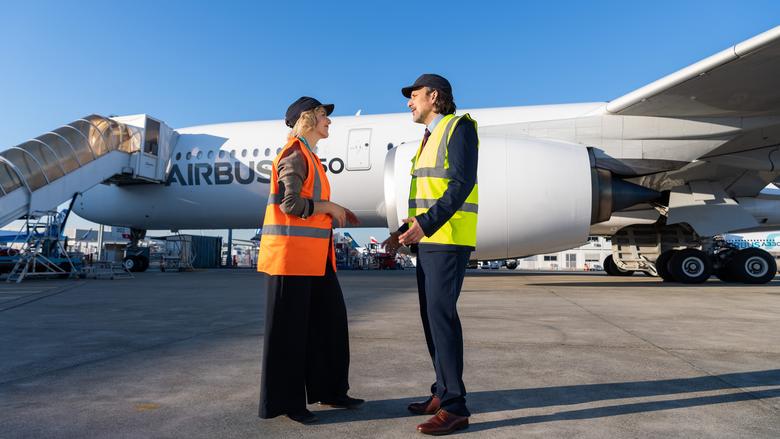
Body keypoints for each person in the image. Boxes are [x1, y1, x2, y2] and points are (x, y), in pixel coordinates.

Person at [257, 96, 363, 424]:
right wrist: (330, 209)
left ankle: (330, 390)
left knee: (329, 325)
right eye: (323, 116)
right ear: (307, 119)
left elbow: (308, 204)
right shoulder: (293, 155)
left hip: (316, 260)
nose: (329, 121)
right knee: (289, 334)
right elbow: (291, 204)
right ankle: (287, 402)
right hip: (290, 260)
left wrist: (336, 210)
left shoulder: (311, 157)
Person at [384, 74, 479, 435]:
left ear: (433, 96)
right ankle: (441, 391)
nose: (409, 102)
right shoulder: (428, 138)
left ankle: (455, 406)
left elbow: (461, 183)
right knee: (431, 319)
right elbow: (429, 193)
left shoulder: (459, 128)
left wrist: (427, 224)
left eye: (414, 96)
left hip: (448, 240)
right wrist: (403, 233)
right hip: (428, 241)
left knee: (442, 318)